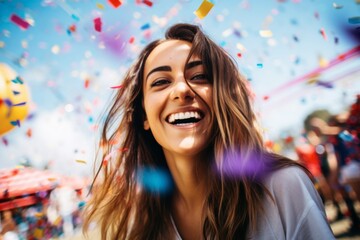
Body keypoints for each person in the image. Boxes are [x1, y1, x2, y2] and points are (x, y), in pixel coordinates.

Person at [82, 23, 335, 239]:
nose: (182, 90)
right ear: (143, 116)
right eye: (161, 82)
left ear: (223, 98)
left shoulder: (283, 187)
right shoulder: (137, 224)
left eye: (200, 76)